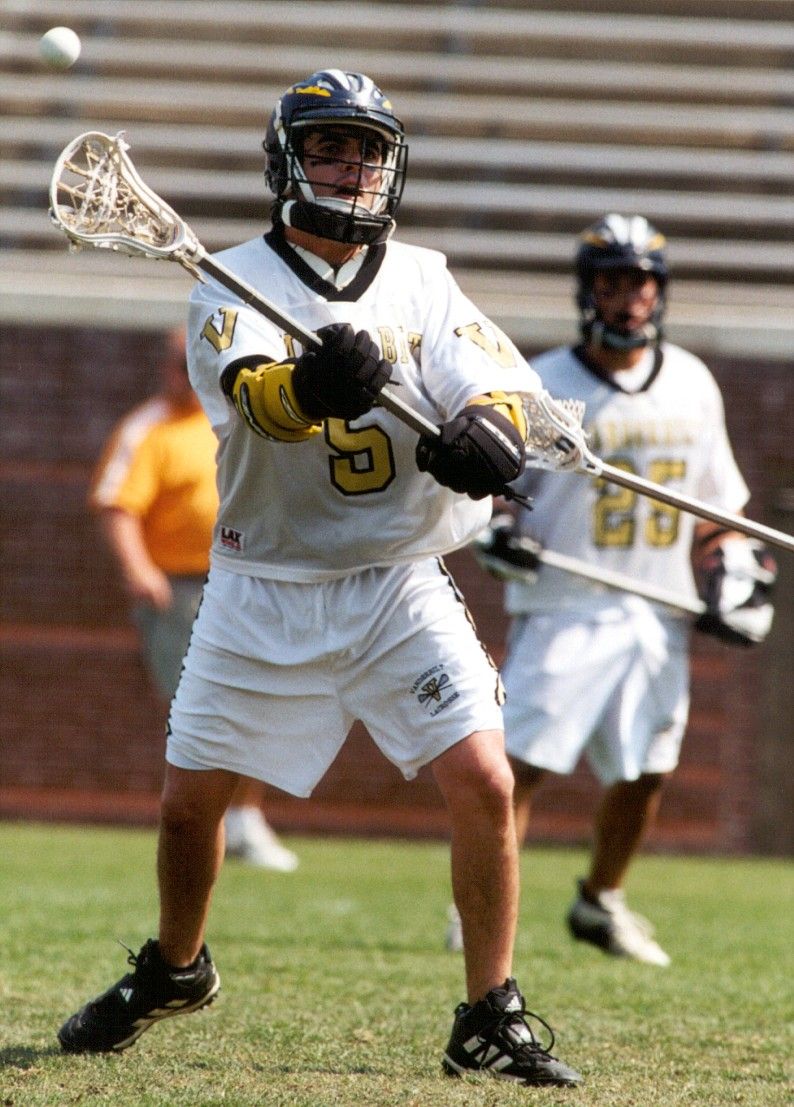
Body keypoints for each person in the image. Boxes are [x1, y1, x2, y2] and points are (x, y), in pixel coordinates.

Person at [57, 69, 583, 1087]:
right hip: (264, 581)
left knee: (485, 779)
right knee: (188, 808)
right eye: (330, 147)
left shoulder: (422, 278)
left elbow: (493, 384)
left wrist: (486, 433)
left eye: (368, 151)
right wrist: (311, 385)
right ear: (287, 162)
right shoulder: (230, 281)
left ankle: (489, 1012)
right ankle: (175, 967)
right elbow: (255, 400)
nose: (352, 168)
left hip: (397, 580)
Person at [471, 213, 775, 966]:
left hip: (658, 606)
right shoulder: (541, 380)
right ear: (589, 290)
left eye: (641, 282)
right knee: (523, 764)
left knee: (648, 769)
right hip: (566, 602)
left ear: (659, 292)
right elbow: (492, 491)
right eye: (613, 281)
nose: (629, 297)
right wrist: (499, 533)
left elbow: (717, 507)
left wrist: (734, 577)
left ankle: (600, 899)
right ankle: (474, 899)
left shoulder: (692, 380)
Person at [88, 327, 299, 873]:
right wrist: (139, 568)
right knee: (196, 710)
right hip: (181, 587)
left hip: (245, 579)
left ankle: (244, 818)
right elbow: (116, 506)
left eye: (191, 363)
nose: (180, 374)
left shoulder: (236, 419)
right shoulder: (148, 428)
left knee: (256, 696)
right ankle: (199, 821)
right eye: (175, 362)